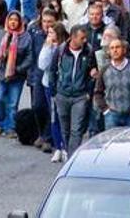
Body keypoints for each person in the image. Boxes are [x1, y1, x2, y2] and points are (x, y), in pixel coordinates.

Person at [48, 25, 97, 159]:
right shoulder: (61, 51)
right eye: (82, 38)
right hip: (62, 94)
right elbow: (52, 71)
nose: (85, 40)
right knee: (65, 128)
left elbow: (93, 73)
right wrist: (54, 92)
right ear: (73, 37)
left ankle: (71, 158)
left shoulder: (89, 51)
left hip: (80, 96)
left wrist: (88, 92)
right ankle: (69, 152)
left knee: (77, 129)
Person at [0, 10, 33, 138]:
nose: (13, 22)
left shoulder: (26, 37)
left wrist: (19, 69)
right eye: (11, 20)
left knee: (12, 103)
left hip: (17, 76)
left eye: (16, 20)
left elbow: (29, 57)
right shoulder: (0, 34)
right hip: (1, 74)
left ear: (20, 22)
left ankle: (10, 127)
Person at [94, 38, 130, 129]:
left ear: (124, 50)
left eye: (117, 47)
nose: (115, 50)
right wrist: (105, 110)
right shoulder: (104, 70)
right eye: (112, 48)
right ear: (109, 51)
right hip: (112, 116)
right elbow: (98, 92)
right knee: (113, 142)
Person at [37, 23, 67, 162]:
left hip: (65, 86)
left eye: (52, 33)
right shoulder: (47, 47)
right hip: (49, 84)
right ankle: (58, 147)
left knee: (64, 117)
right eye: (48, 33)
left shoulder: (65, 47)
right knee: (54, 117)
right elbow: (42, 65)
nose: (49, 36)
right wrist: (48, 47)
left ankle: (66, 146)